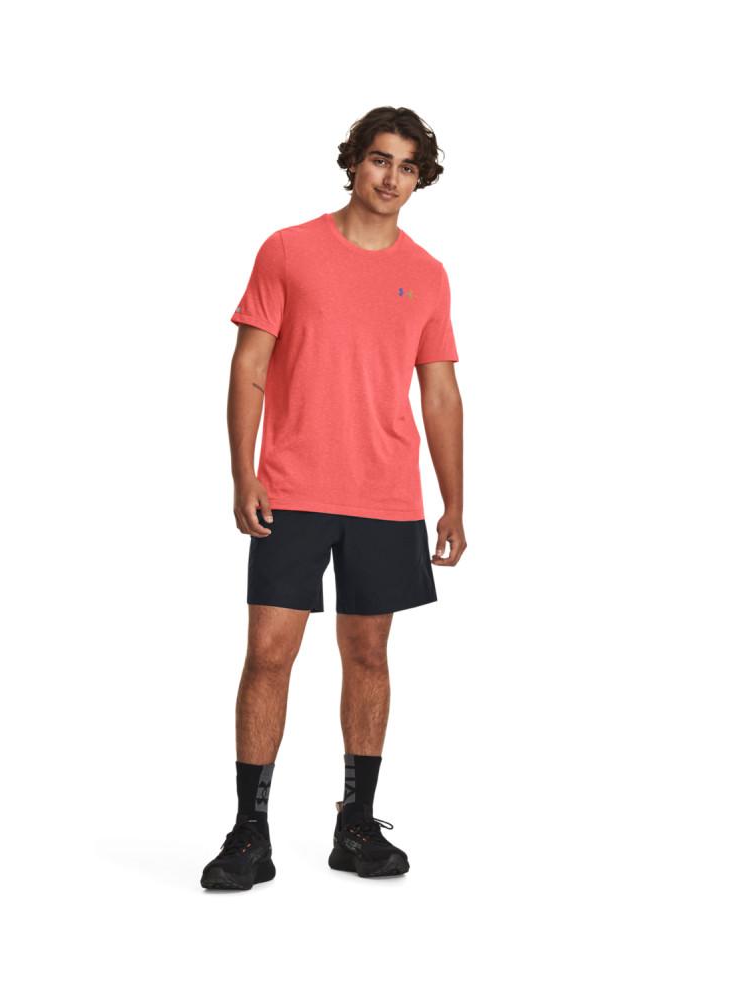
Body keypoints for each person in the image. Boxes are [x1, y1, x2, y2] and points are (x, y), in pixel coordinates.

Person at [201, 106, 466, 890]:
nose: (392, 178)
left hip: (386, 495)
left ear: (420, 179)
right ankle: (250, 833)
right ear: (354, 162)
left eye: (408, 167)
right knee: (269, 653)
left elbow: (440, 393)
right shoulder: (289, 251)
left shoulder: (428, 273)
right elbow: (249, 366)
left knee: (369, 655)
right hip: (292, 488)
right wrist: (243, 471)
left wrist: (454, 502)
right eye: (381, 160)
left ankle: (357, 825)